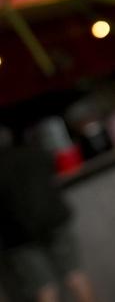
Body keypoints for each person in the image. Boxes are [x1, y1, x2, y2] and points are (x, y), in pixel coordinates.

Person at [0, 126, 96, 302]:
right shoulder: (35, 152)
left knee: (45, 289)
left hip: (20, 237)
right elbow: (54, 167)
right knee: (75, 275)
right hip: (53, 220)